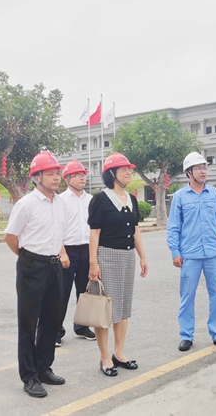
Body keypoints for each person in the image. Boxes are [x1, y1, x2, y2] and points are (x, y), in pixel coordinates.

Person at [4, 152, 70, 398]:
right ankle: (29, 376)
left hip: (54, 265)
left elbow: (58, 235)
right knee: (28, 323)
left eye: (57, 173)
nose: (56, 178)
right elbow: (10, 237)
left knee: (52, 320)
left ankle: (43, 368)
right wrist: (28, 258)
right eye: (50, 174)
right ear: (36, 177)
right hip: (32, 265)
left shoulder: (61, 203)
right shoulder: (26, 204)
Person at [88, 153, 148, 377]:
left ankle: (119, 353)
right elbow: (94, 233)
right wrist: (93, 262)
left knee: (123, 308)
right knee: (105, 309)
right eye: (124, 169)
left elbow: (135, 230)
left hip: (127, 257)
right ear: (112, 173)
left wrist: (142, 256)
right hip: (106, 256)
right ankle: (105, 357)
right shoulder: (100, 199)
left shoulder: (132, 199)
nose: (128, 172)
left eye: (129, 169)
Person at [167, 152, 216, 353]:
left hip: (212, 253)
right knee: (187, 296)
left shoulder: (213, 193)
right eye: (198, 168)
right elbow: (173, 227)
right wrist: (175, 252)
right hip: (190, 255)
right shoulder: (180, 197)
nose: (203, 171)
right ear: (189, 172)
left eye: (204, 167)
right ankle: (186, 335)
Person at [55, 160, 96, 347]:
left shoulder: (91, 200)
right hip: (67, 251)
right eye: (77, 175)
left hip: (87, 250)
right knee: (60, 293)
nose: (82, 178)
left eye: (83, 175)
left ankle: (82, 327)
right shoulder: (60, 200)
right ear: (67, 179)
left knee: (85, 292)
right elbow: (56, 229)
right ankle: (56, 331)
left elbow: (95, 229)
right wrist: (62, 253)